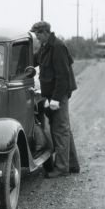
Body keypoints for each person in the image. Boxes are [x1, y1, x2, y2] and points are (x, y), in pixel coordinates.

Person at [31, 20, 80, 178]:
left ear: (45, 32)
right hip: (51, 94)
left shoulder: (57, 46)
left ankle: (62, 168)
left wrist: (56, 99)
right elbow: (34, 60)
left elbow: (63, 75)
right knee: (63, 129)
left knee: (60, 130)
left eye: (38, 34)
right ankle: (72, 164)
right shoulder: (46, 46)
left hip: (58, 94)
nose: (36, 37)